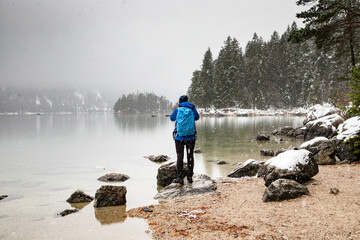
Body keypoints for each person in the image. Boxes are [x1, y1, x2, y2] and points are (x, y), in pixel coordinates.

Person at [170, 95, 200, 184]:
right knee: (190, 156)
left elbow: (172, 118)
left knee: (180, 156)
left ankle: (180, 178)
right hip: (191, 137)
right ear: (187, 101)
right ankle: (189, 177)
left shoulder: (177, 110)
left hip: (179, 137)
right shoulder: (192, 109)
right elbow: (197, 117)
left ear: (180, 102)